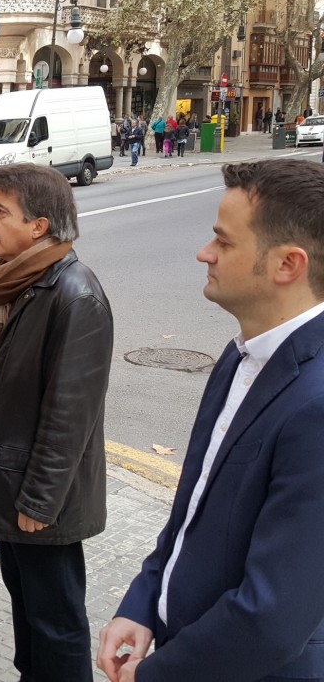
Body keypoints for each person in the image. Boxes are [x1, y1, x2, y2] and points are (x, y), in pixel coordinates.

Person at [98, 159, 324, 682]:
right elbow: (195, 505)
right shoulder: (242, 353)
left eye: (223, 242)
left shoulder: (315, 407)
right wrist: (145, 599)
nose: (204, 253)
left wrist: (155, 675)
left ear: (287, 265)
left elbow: (272, 617)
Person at [0, 164, 112, 682]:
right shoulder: (18, 284)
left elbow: (70, 415)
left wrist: (39, 502)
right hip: (13, 489)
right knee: (29, 616)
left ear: (40, 226)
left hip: (40, 502)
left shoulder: (75, 294)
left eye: (1, 211)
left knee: (57, 624)